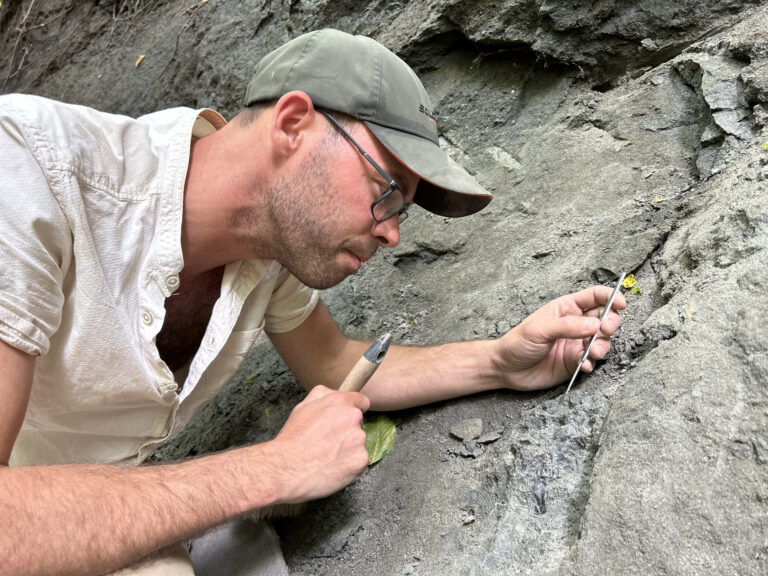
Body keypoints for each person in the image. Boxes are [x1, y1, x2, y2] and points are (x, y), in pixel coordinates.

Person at [0, 29, 625, 575]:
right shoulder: (27, 172)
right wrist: (274, 468)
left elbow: (332, 364)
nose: (391, 231)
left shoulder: (268, 255)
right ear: (292, 124)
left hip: (99, 522)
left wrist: (499, 361)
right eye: (386, 192)